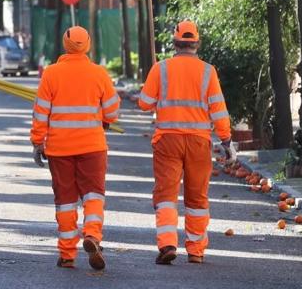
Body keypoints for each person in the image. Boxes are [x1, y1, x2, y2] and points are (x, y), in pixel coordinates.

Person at [137, 20, 234, 265]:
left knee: (166, 194)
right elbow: (218, 110)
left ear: (175, 43)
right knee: (197, 198)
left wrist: (154, 91)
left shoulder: (160, 69)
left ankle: (167, 244)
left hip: (167, 140)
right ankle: (196, 250)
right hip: (199, 142)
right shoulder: (208, 71)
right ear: (197, 43)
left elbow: (144, 103)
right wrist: (226, 140)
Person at [31, 26, 120, 270]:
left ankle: (67, 253)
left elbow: (40, 112)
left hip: (59, 149)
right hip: (93, 146)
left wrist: (37, 142)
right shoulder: (99, 73)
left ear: (65, 44)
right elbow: (112, 111)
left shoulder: (51, 73)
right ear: (88, 45)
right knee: (93, 195)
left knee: (65, 201)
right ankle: (92, 235)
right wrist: (103, 117)